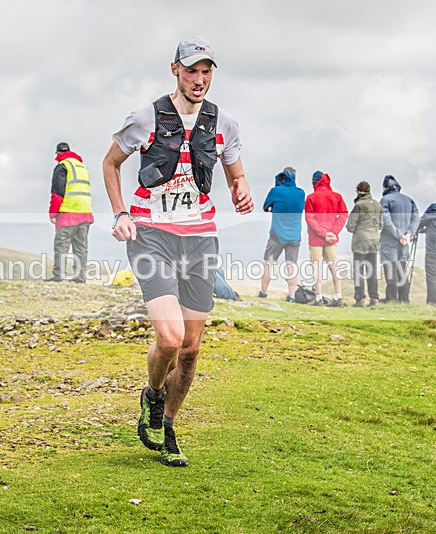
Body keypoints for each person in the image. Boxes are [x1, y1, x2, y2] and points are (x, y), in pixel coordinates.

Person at [102, 36, 253, 467]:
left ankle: (167, 427)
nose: (200, 79)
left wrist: (241, 190)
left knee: (190, 349)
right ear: (175, 71)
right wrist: (120, 214)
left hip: (200, 237)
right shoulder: (145, 116)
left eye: (206, 72)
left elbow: (236, 173)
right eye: (192, 71)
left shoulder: (225, 122)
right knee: (170, 338)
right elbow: (110, 163)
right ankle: (152, 393)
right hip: (151, 234)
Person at [48, 142, 94, 282]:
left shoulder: (62, 166)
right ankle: (80, 277)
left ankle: (58, 276)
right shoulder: (82, 167)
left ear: (58, 154)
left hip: (68, 212)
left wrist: (53, 213)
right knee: (81, 247)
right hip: (85, 211)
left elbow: (57, 192)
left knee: (61, 246)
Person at [258, 166, 305, 302]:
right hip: (295, 235)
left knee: (268, 263)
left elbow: (266, 206)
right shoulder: (301, 193)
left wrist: (274, 207)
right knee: (292, 265)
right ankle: (291, 295)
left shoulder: (276, 191)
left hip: (277, 234)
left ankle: (263, 292)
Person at [304, 171, 348, 307]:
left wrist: (323, 233)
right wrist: (332, 232)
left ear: (314, 182)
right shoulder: (337, 197)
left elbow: (309, 218)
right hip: (332, 238)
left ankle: (318, 298)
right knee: (333, 266)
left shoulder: (311, 197)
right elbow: (343, 215)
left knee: (317, 268)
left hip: (315, 238)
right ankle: (338, 297)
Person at [379, 175, 420, 303]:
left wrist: (399, 235)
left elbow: (386, 221)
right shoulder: (409, 200)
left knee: (390, 269)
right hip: (405, 242)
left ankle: (391, 298)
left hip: (390, 240)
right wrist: (408, 234)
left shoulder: (385, 200)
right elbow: (416, 218)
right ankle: (404, 298)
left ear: (385, 186)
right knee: (402, 269)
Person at [346, 181, 383, 307]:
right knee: (372, 270)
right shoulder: (378, 205)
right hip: (374, 239)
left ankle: (360, 299)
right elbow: (381, 225)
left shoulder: (359, 205)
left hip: (361, 241)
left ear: (358, 190)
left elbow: (350, 226)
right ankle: (374, 298)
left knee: (359, 271)